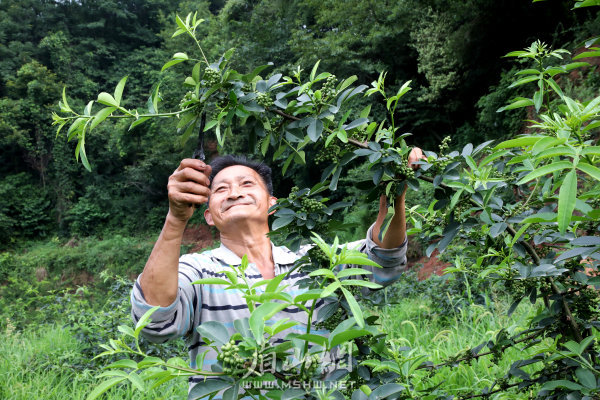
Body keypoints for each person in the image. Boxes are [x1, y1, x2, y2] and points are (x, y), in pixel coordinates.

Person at [130, 150, 423, 392]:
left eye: (246, 184)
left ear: (273, 205)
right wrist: (176, 217)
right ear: (208, 215)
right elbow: (155, 321)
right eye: (220, 189)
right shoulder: (199, 269)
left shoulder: (315, 260)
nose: (233, 193)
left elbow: (384, 260)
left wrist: (394, 199)